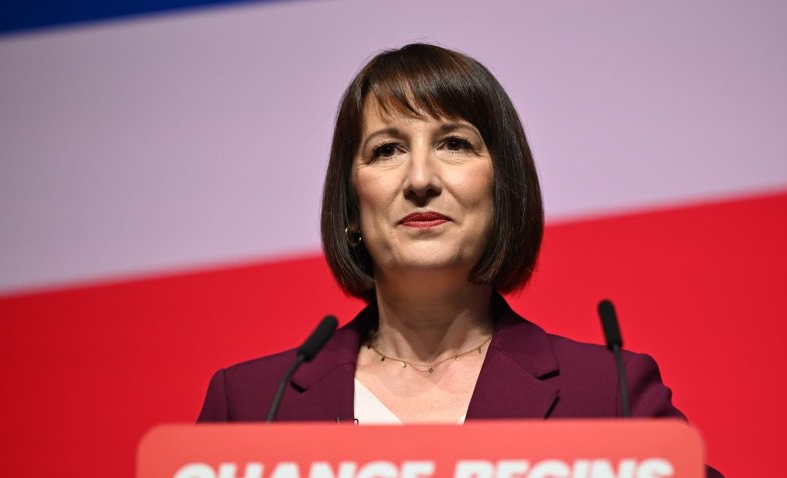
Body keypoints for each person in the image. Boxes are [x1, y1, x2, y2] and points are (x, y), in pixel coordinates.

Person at [198, 43, 722, 477]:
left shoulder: (609, 395)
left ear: (501, 191)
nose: (421, 179)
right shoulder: (251, 407)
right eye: (386, 150)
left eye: (453, 143)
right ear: (351, 207)